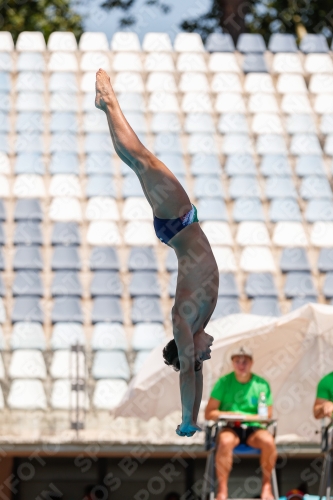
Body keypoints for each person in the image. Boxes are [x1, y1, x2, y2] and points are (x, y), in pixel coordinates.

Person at [95, 69, 218, 437]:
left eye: (199, 357)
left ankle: (108, 103)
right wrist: (194, 418)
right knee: (140, 163)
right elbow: (194, 375)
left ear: (186, 351)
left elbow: (187, 374)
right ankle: (107, 105)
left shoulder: (184, 323)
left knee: (142, 160)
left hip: (178, 223)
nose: (205, 356)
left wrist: (184, 419)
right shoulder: (199, 324)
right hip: (181, 225)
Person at [204, 346, 277, 500]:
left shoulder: (261, 384)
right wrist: (230, 414)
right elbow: (209, 413)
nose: (241, 365)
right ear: (232, 363)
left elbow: (267, 415)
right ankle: (222, 491)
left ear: (251, 363)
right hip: (230, 428)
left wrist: (248, 417)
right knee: (224, 441)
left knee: (269, 442)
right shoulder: (223, 382)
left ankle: (266, 486)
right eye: (238, 361)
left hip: (254, 429)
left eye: (245, 361)